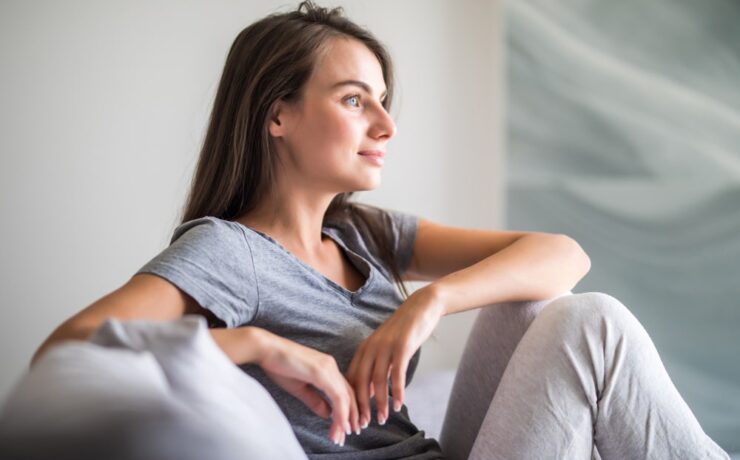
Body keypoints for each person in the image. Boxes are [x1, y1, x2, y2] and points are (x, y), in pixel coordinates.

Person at [29, 1, 730, 459]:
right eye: (355, 100)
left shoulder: (363, 233)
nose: (386, 127)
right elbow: (64, 354)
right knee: (593, 327)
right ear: (278, 116)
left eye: (383, 103)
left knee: (538, 303)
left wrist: (430, 302)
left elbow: (563, 255)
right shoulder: (227, 252)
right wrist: (255, 344)